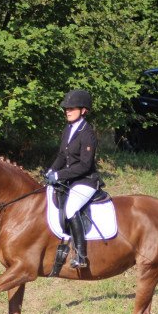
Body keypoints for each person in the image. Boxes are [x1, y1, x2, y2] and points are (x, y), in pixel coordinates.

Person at [45, 89, 102, 269]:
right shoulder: (68, 129)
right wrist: (51, 170)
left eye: (72, 108)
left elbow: (85, 166)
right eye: (66, 109)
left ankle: (81, 255)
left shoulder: (88, 133)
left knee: (70, 209)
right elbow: (62, 155)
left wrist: (59, 175)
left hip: (86, 181)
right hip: (71, 180)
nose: (67, 111)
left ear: (83, 110)